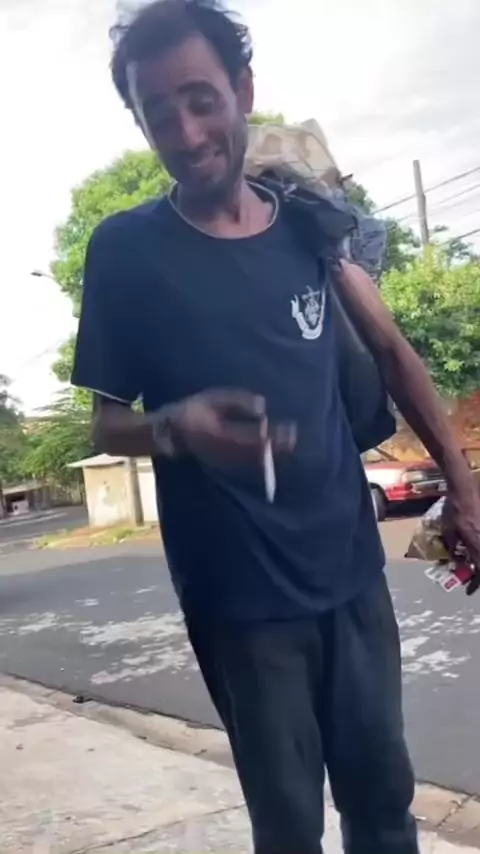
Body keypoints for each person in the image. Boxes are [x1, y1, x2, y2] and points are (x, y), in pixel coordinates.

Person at [72, 2, 480, 852]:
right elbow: (107, 426)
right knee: (289, 829)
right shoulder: (125, 251)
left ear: (243, 91)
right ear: (140, 122)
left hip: (353, 575)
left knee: (384, 808)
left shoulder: (309, 228)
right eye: (159, 113)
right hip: (240, 603)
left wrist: (464, 483)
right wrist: (178, 427)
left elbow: (391, 351)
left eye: (202, 100)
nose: (187, 133)